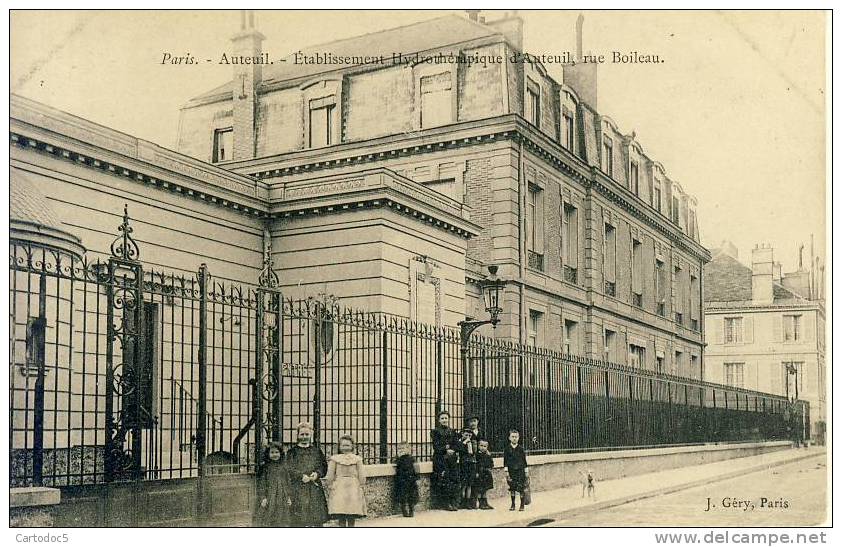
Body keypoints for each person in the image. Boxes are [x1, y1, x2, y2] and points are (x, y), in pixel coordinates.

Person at [285, 422, 329, 527]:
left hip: (314, 488)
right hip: (298, 488)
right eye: (302, 434)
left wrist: (317, 474)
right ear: (298, 435)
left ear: (310, 436)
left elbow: (323, 466)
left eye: (307, 434)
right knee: (299, 519)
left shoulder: (316, 451)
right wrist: (300, 476)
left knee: (316, 518)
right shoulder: (292, 452)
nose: (304, 437)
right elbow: (288, 468)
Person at [324, 434, 367, 527]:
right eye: (343, 445)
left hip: (353, 488)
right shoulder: (335, 459)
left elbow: (361, 473)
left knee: (352, 512)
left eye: (347, 445)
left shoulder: (357, 459)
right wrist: (330, 484)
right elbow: (330, 473)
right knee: (341, 511)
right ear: (339, 446)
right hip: (340, 487)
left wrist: (361, 484)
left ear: (352, 446)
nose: (345, 447)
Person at [253, 441, 293, 527]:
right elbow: (262, 483)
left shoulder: (284, 467)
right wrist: (263, 497)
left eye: (277, 452)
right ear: (268, 454)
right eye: (272, 452)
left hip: (282, 495)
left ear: (281, 453)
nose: (274, 455)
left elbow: (288, 482)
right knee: (268, 516)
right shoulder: (265, 467)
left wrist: (289, 496)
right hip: (270, 496)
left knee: (282, 517)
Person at [431, 410, 459, 510]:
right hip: (440, 459)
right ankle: (445, 503)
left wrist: (453, 450)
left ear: (449, 419)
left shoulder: (452, 431)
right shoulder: (435, 431)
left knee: (453, 479)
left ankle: (453, 502)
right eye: (442, 418)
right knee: (444, 479)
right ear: (439, 420)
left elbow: (456, 444)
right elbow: (436, 446)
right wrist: (446, 449)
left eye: (446, 418)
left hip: (451, 459)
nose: (444, 420)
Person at [503, 429, 529, 511]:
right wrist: (506, 471)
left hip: (520, 471)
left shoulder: (521, 449)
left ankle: (522, 505)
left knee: (521, 488)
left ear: (518, 438)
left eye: (516, 437)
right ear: (509, 438)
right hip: (511, 471)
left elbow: (524, 461)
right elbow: (505, 461)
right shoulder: (507, 449)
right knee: (512, 487)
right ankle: (513, 504)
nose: (514, 438)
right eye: (513, 437)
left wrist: (526, 472)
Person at [393, 441, 419, 517]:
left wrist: (417, 478)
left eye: (404, 448)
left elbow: (416, 468)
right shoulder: (399, 459)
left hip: (411, 479)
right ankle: (404, 510)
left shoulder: (411, 458)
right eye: (400, 448)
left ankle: (411, 510)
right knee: (403, 495)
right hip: (402, 479)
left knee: (412, 494)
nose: (402, 450)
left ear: (408, 449)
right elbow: (395, 465)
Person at [457, 428, 478, 509]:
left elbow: (473, 452)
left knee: (469, 484)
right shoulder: (460, 442)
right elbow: (459, 449)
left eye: (469, 435)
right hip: (463, 464)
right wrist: (464, 442)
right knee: (463, 484)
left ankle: (468, 502)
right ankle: (462, 501)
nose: (468, 437)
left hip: (471, 464)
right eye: (466, 435)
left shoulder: (473, 442)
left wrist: (469, 444)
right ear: (462, 434)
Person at [474, 439, 495, 510]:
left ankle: (485, 502)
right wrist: (476, 472)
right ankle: (480, 503)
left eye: (485, 446)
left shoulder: (487, 455)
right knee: (480, 489)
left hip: (486, 473)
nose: (483, 447)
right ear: (478, 446)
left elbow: (491, 464)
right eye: (481, 445)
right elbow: (476, 465)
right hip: (480, 473)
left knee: (485, 489)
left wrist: (489, 456)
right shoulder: (477, 455)